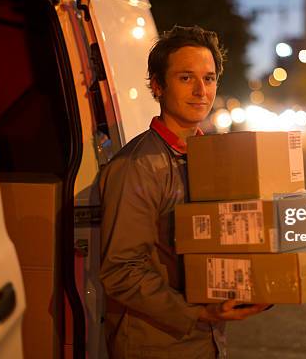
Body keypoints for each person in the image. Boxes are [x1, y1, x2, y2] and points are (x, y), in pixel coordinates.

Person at [99, 25, 269, 359]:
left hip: (207, 339)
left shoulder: (212, 157)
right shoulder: (138, 166)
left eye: (208, 78)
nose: (200, 91)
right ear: (157, 86)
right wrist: (197, 313)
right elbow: (120, 271)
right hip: (156, 343)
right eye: (185, 78)